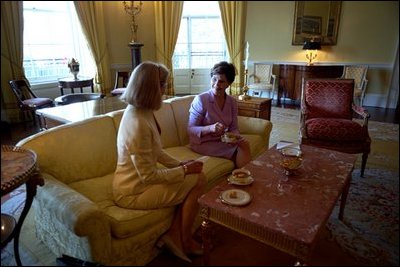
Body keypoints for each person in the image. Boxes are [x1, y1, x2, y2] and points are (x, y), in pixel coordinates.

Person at [113, 61, 206, 262]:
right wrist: (184, 171)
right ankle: (185, 239)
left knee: (196, 175)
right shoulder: (137, 123)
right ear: (151, 88)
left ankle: (174, 235)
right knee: (198, 179)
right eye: (163, 84)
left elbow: (158, 152)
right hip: (132, 192)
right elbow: (148, 176)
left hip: (138, 184)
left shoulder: (141, 111)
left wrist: (181, 165)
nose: (166, 89)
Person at [188, 61, 251, 168]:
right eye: (214, 79)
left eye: (221, 81)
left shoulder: (232, 102)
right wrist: (210, 128)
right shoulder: (201, 99)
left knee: (244, 144)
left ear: (229, 84)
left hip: (222, 140)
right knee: (239, 150)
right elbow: (190, 129)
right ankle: (242, 178)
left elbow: (234, 128)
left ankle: (242, 178)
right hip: (202, 143)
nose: (217, 84)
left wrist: (235, 137)